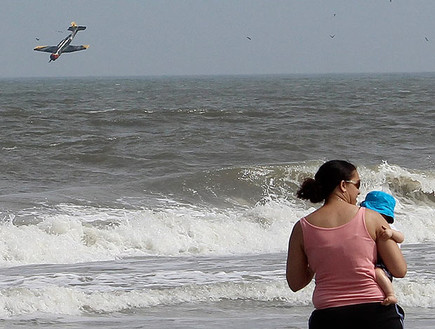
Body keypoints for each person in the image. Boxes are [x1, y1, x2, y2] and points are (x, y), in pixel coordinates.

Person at [286, 160, 407, 329]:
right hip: (376, 313)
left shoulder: (302, 227)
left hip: (329, 316)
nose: (359, 191)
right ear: (343, 185)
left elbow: (295, 283)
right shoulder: (371, 217)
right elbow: (399, 270)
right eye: (358, 184)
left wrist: (319, 260)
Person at [361, 191, 405, 306]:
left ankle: (390, 294)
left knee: (378, 272)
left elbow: (401, 238)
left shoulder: (388, 227)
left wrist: (391, 234)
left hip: (385, 264)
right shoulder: (367, 225)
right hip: (374, 261)